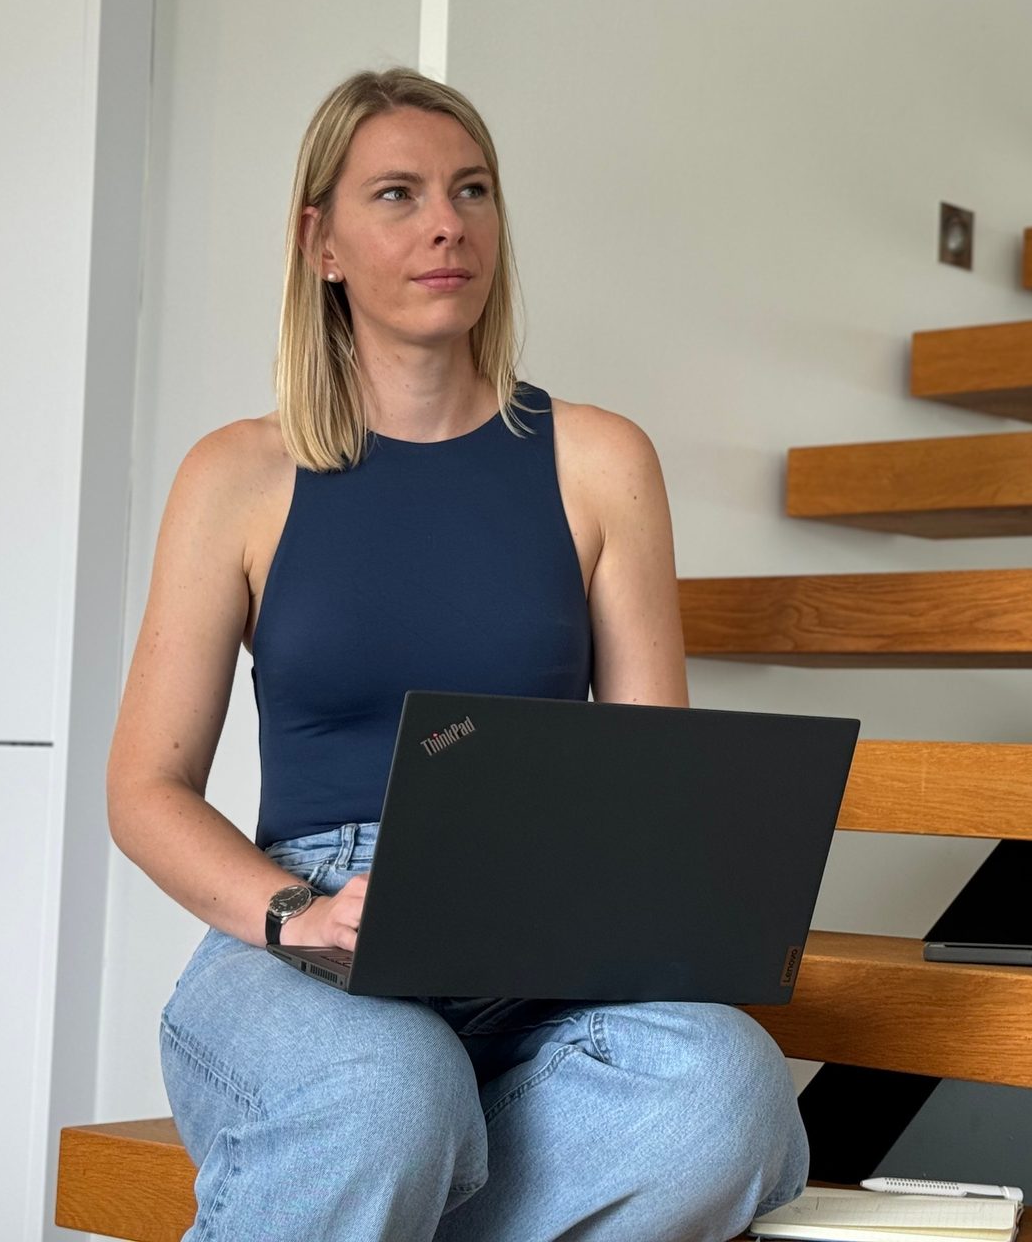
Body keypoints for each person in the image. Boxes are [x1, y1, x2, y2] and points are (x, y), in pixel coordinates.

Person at [106, 65, 810, 1241]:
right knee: (386, 1088)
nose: (448, 224)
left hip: (538, 925)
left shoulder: (599, 461)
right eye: (398, 194)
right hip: (305, 923)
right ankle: (385, 1152)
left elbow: (655, 787)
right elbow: (144, 791)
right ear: (319, 240)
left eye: (472, 190)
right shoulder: (235, 474)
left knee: (726, 1091)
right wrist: (297, 915)